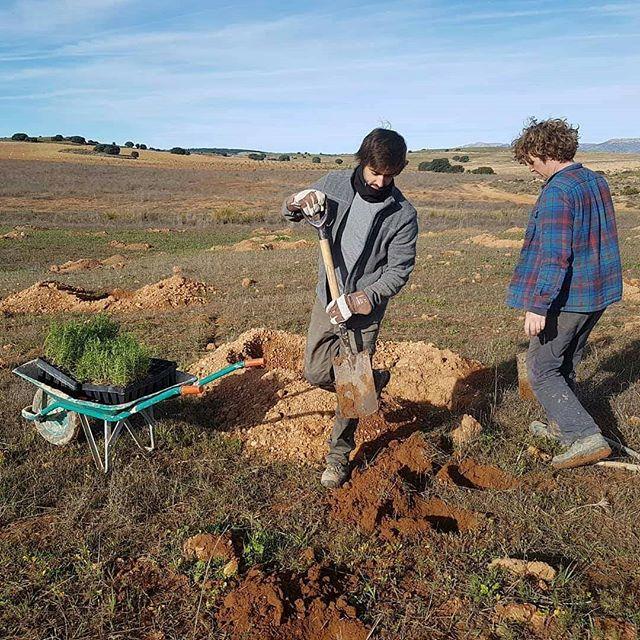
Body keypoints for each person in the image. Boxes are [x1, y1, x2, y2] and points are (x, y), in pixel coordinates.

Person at [282, 128, 418, 488]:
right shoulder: (334, 185)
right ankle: (371, 383)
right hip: (327, 295)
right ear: (362, 161)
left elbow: (398, 271)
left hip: (363, 310)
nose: (380, 181)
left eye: (390, 175)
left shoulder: (402, 213)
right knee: (315, 371)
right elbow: (291, 210)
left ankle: (338, 456)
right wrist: (299, 200)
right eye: (375, 172)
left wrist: (361, 300)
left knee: (351, 385)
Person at [507, 117, 623, 469]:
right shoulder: (594, 180)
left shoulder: (558, 191)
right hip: (598, 291)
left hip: (569, 296)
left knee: (541, 368)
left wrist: (538, 305)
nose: (531, 169)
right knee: (565, 360)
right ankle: (562, 425)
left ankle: (583, 435)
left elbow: (555, 255)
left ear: (544, 153)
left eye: (530, 161)